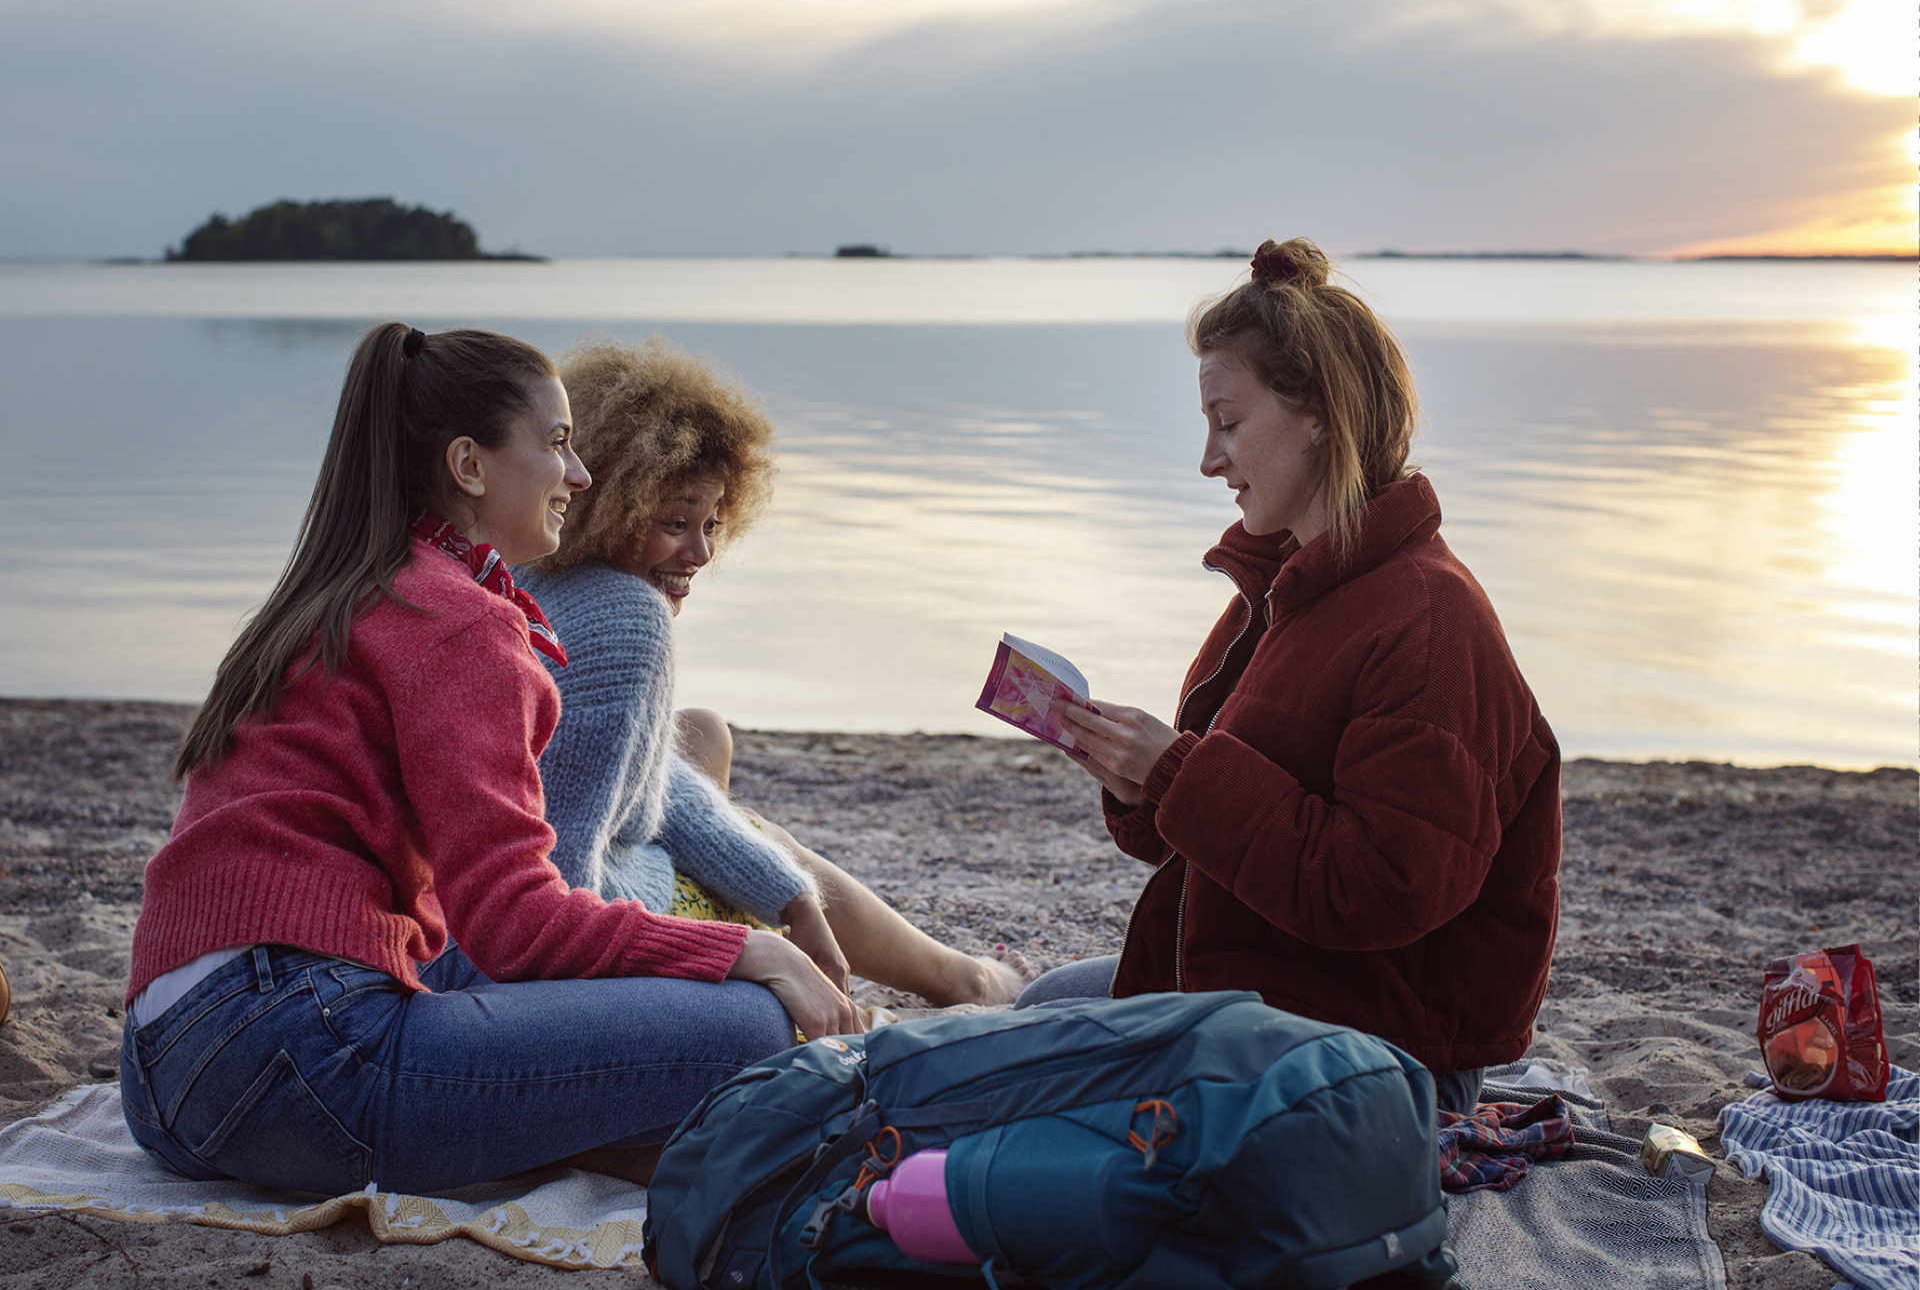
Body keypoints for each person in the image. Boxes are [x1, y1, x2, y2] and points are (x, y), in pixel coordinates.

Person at [120, 322, 860, 1199]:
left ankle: (589, 1138)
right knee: (753, 1025)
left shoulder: (338, 589)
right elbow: (517, 925)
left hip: (161, 1073)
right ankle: (613, 1142)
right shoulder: (460, 621)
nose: (578, 476)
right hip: (296, 1063)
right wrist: (747, 953)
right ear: (469, 466)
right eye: (556, 445)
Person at [1020, 239, 1562, 1116]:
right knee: (1041, 1006)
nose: (1209, 459)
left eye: (1228, 423)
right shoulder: (1285, 583)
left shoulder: (1427, 620)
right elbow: (1216, 832)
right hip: (1267, 985)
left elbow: (1385, 889)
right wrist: (1141, 784)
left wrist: (1180, 772)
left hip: (1386, 1050)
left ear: (1317, 414)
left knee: (1018, 1062)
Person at [516, 337, 1027, 1009]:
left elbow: (635, 776)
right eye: (675, 522)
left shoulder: (527, 570)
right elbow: (562, 879)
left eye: (712, 523)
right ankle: (967, 981)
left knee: (705, 743)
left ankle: (961, 976)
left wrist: (787, 893)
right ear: (611, 502)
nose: (700, 551)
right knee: (762, 840)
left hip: (544, 894)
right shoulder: (626, 616)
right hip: (595, 924)